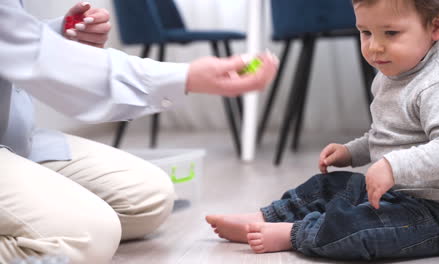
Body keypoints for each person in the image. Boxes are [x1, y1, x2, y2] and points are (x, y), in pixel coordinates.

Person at [0, 0, 278, 263]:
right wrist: (185, 78)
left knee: (149, 199)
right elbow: (23, 48)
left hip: (15, 134)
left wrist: (58, 35)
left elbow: (13, 38)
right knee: (89, 236)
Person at [206, 0, 439, 260]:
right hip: (391, 194)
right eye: (366, 33)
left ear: (437, 26)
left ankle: (295, 233)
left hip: (438, 213)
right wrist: (351, 152)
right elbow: (387, 137)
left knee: (358, 227)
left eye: (391, 33)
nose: (375, 47)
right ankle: (264, 217)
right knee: (327, 186)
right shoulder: (389, 76)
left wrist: (392, 166)